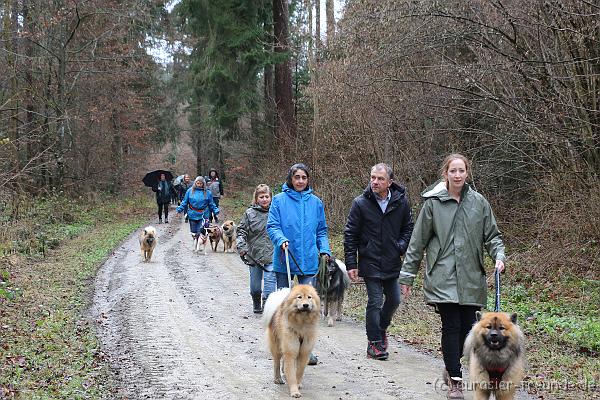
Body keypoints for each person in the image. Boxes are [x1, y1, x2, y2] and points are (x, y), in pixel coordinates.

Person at [399, 153, 506, 400]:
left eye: (461, 171)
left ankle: (451, 368)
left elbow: (492, 236)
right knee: (451, 326)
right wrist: (407, 276)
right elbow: (417, 242)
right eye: (452, 171)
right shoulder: (433, 203)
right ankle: (455, 380)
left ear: (467, 173)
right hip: (443, 275)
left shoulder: (479, 203)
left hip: (471, 276)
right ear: (445, 173)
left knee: (468, 329)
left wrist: (498, 255)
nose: (457, 175)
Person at [344, 163, 414, 361]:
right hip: (370, 260)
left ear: (390, 182)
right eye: (373, 177)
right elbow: (350, 234)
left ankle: (380, 328)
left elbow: (408, 227)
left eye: (380, 179)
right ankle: (374, 343)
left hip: (392, 260)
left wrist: (400, 246)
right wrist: (352, 263)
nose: (375, 182)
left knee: (394, 300)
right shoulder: (360, 203)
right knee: (374, 301)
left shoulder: (401, 202)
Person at [267, 163, 331, 366]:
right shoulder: (278, 200)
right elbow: (272, 226)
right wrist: (280, 239)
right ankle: (282, 346)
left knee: (308, 309)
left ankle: (306, 350)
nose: (301, 181)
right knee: (284, 306)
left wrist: (325, 249)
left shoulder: (316, 202)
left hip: (309, 261)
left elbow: (321, 230)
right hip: (284, 258)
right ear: (291, 179)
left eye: (304, 177)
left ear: (308, 179)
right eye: (297, 177)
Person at [236, 184, 276, 314]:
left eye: (267, 196)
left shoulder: (276, 212)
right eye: (261, 197)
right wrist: (242, 246)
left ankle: (267, 305)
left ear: (271, 197)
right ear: (256, 198)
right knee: (255, 287)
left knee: (270, 282)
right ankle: (257, 301)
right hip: (254, 255)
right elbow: (241, 231)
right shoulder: (249, 213)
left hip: (272, 254)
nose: (264, 199)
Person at [176, 176, 219, 243]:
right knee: (193, 232)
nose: (199, 185)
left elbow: (211, 204)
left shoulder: (208, 192)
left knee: (201, 231)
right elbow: (185, 202)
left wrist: (215, 210)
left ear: (203, 184)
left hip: (204, 215)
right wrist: (179, 209)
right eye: (197, 183)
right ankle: (196, 242)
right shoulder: (190, 191)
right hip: (192, 214)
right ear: (195, 183)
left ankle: (199, 243)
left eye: (200, 183)